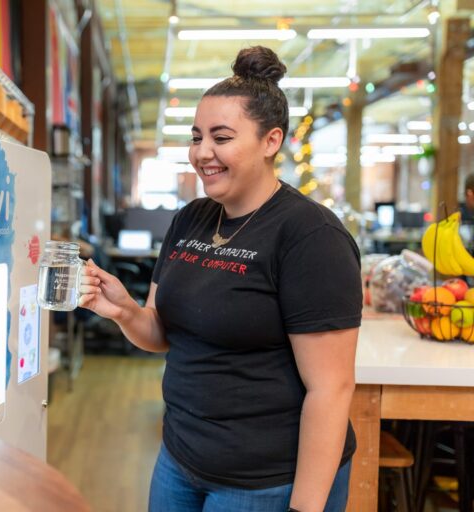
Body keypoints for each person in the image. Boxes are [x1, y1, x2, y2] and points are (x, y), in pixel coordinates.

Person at [79, 46, 362, 512]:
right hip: (180, 460)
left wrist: (305, 508)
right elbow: (164, 334)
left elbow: (331, 389)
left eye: (222, 137)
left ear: (271, 141)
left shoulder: (311, 236)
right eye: (196, 137)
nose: (201, 153)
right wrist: (125, 311)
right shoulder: (190, 219)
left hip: (266, 482)